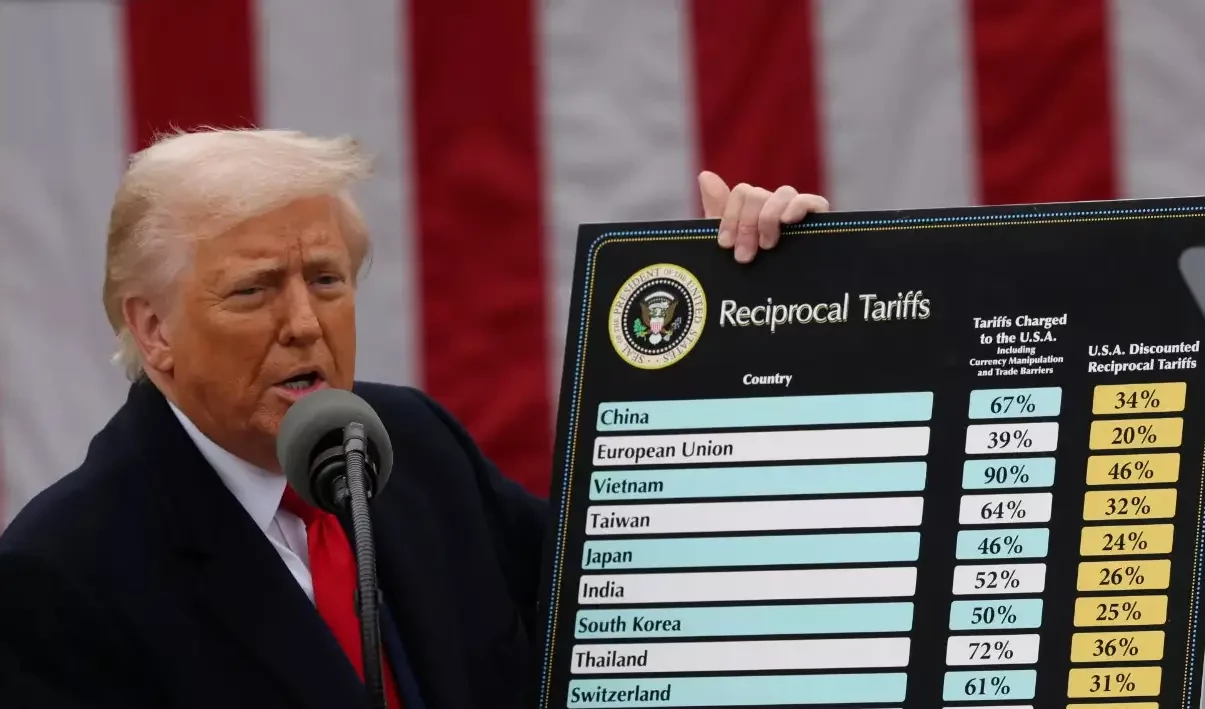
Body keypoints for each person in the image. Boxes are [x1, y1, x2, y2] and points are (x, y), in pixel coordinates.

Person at [0, 128, 830, 709]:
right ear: (153, 330)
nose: (304, 323)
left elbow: (640, 611)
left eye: (326, 280)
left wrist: (751, 317)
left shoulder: (411, 443)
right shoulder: (61, 575)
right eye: (254, 290)